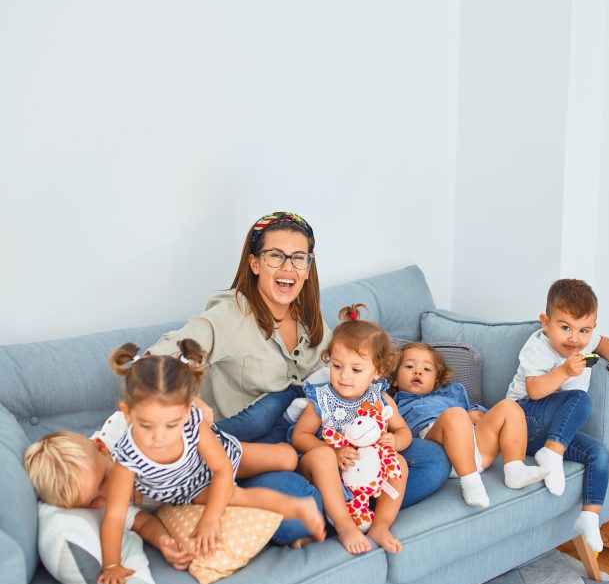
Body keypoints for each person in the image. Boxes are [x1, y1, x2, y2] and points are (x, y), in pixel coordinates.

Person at [148, 211, 451, 531]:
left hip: (318, 435)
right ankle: (342, 503)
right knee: (297, 516)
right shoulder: (229, 314)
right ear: (254, 264)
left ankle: (347, 500)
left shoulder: (311, 316)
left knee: (432, 461)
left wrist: (377, 433)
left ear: (309, 266)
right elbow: (156, 359)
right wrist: (187, 401)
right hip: (258, 448)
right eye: (275, 256)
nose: (288, 268)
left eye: (298, 258)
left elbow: (354, 372)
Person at [98, 339, 324, 584]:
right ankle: (296, 506)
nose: (159, 437)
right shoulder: (126, 459)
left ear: (185, 413)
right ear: (127, 414)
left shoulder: (193, 424)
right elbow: (115, 515)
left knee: (287, 459)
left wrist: (211, 518)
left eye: (171, 425)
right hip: (190, 491)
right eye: (146, 425)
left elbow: (222, 469)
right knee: (235, 495)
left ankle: (290, 439)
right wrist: (110, 565)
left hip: (219, 462)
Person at [507, 278, 609, 553]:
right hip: (522, 422)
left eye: (583, 330)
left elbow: (604, 343)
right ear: (546, 322)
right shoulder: (537, 347)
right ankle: (551, 453)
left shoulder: (585, 343)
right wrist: (564, 371)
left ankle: (589, 516)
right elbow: (535, 390)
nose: (574, 339)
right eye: (565, 327)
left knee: (599, 452)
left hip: (554, 431)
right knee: (580, 399)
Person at [292, 304, 410, 555]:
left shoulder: (381, 400)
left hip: (363, 472)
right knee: (323, 456)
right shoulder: (322, 399)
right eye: (336, 366)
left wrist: (394, 441)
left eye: (356, 369)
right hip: (323, 467)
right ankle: (345, 525)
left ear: (377, 371)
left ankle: (381, 525)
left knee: (399, 462)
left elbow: (403, 432)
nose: (344, 376)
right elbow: (299, 437)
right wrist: (332, 452)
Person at [392, 343, 547, 509]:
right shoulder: (393, 403)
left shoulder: (452, 393)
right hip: (440, 452)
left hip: (476, 449)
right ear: (394, 378)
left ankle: (515, 469)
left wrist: (478, 416)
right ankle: (471, 482)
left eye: (427, 369)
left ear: (437, 380)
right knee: (455, 415)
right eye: (409, 366)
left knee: (509, 406)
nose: (418, 371)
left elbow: (475, 413)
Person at [24, 424, 195, 573]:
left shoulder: (123, 432)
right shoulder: (104, 509)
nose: (108, 495)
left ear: (102, 448)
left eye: (104, 479)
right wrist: (163, 541)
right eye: (92, 502)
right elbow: (144, 524)